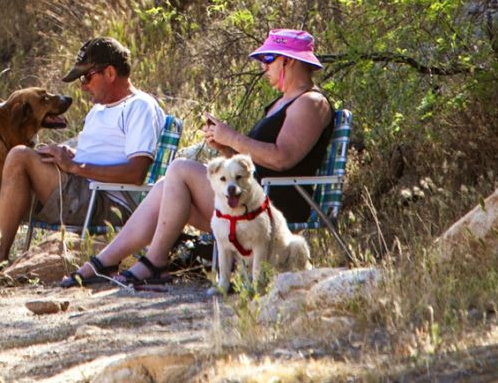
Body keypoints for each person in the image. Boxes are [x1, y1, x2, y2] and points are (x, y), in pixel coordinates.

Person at [57, 27, 333, 289]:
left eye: (269, 59)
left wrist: (232, 137)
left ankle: (153, 262)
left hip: (275, 206)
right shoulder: (282, 103)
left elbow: (283, 159)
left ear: (289, 61)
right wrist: (225, 147)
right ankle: (105, 262)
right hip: (249, 196)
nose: (263, 66)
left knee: (180, 169)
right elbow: (259, 163)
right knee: (167, 187)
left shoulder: (310, 103)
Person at [0, 36, 166, 272]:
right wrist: (71, 155)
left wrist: (75, 167)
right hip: (83, 188)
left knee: (19, 156)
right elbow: (107, 154)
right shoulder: (99, 109)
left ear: (110, 73)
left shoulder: (140, 107)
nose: (83, 86)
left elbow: (136, 173)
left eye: (87, 77)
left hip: (105, 200)